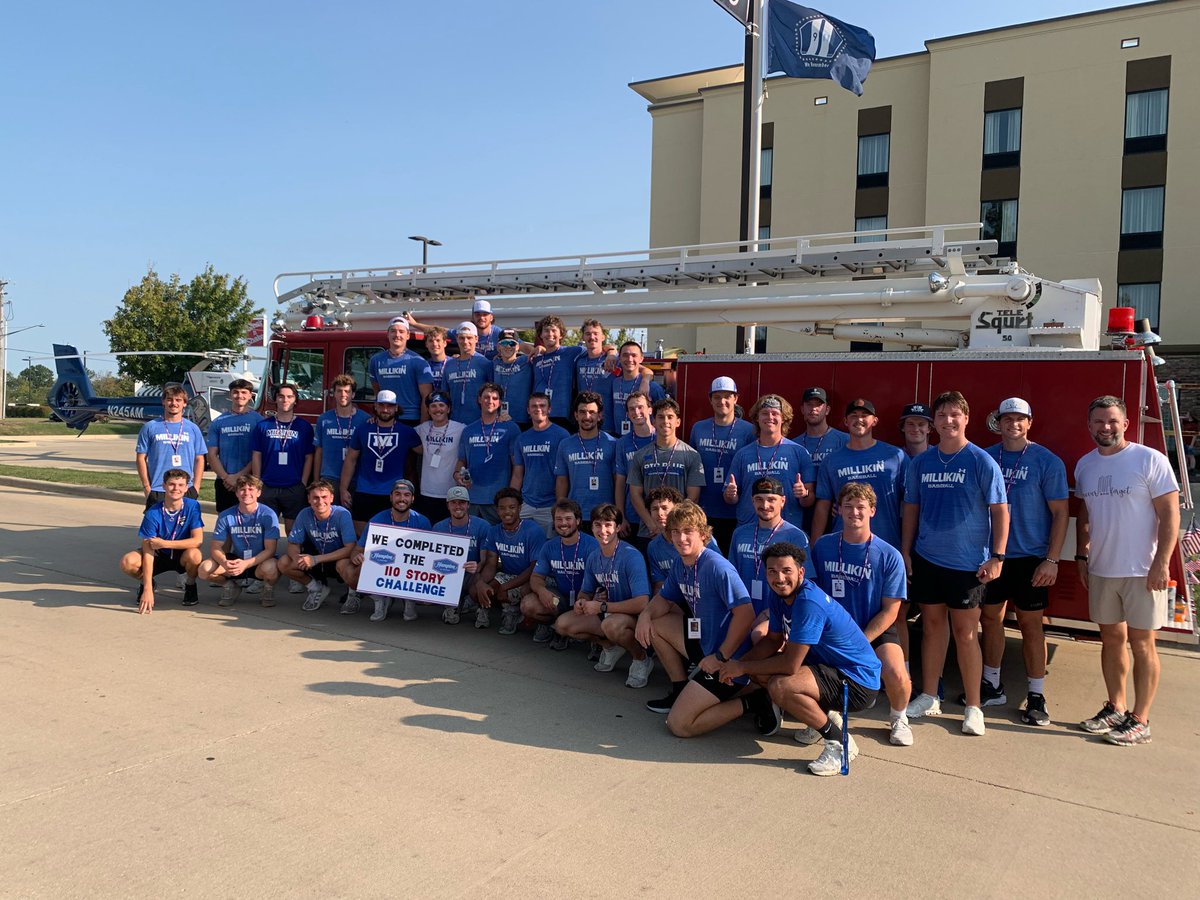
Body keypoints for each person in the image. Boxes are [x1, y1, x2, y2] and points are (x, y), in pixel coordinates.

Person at [716, 542, 881, 776]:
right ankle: (823, 717)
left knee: (781, 686)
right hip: (827, 668)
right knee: (758, 669)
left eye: (786, 571)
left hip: (857, 681)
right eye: (772, 571)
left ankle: (839, 742)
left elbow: (790, 665)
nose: (779, 578)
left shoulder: (808, 602)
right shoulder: (779, 595)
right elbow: (773, 641)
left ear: (801, 572)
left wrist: (740, 666)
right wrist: (734, 667)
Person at [1075, 394, 1180, 745]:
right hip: (1103, 569)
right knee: (1111, 641)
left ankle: (1141, 719)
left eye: (1112, 421)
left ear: (1125, 424)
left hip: (1142, 570)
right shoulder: (1085, 465)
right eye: (1099, 421)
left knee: (1143, 644)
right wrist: (1082, 554)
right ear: (1089, 426)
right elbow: (1086, 513)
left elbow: (1170, 515)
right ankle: (1116, 708)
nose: (1106, 427)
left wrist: (1161, 563)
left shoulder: (1149, 460)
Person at [902, 390, 1008, 737]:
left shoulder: (980, 461)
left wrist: (997, 556)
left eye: (955, 415)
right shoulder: (922, 463)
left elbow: (1000, 510)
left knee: (965, 634)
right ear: (935, 422)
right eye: (942, 415)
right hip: (928, 558)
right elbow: (911, 509)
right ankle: (929, 695)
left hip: (967, 564)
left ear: (966, 418)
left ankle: (974, 706)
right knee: (932, 628)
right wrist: (905, 551)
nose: (948, 421)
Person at [977, 398, 1069, 725]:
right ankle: (992, 684)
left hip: (1031, 558)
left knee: (1031, 626)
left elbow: (1061, 514)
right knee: (990, 620)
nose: (1013, 424)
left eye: (1020, 419)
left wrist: (1052, 560)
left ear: (1029, 423)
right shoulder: (985, 457)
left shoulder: (1047, 461)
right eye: (1007, 419)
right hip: (993, 556)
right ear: (997, 422)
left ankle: (1036, 694)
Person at [634, 502, 764, 730]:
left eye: (687, 531)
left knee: (679, 725)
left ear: (703, 535)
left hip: (728, 657)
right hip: (703, 642)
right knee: (655, 623)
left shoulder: (717, 567)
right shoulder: (680, 564)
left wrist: (721, 657)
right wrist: (645, 615)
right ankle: (679, 688)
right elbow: (664, 599)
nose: (680, 538)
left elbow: (746, 614)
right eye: (675, 532)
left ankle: (754, 700)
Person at [808, 483, 913, 746]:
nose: (854, 512)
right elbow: (813, 594)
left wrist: (859, 641)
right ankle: (824, 716)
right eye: (848, 506)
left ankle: (899, 717)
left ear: (872, 511)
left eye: (860, 507)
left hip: (873, 628)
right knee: (805, 669)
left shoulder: (889, 555)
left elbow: (891, 611)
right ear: (839, 510)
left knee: (896, 672)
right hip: (832, 630)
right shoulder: (823, 546)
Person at [554, 504, 654, 688]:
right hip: (608, 612)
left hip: (633, 617)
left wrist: (602, 607)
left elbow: (642, 603)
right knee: (563, 624)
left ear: (617, 527)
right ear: (591, 527)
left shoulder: (631, 556)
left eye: (608, 524)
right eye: (598, 525)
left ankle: (641, 658)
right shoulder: (594, 556)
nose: (603, 530)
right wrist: (581, 601)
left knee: (611, 624)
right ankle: (610, 647)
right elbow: (586, 590)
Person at [811, 398, 907, 549]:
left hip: (887, 543)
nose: (859, 420)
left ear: (875, 421)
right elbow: (823, 505)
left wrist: (907, 548)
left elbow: (910, 503)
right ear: (845, 421)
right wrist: (814, 546)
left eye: (864, 415)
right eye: (854, 416)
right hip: (844, 546)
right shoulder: (831, 461)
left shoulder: (896, 456)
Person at [726, 477, 808, 636]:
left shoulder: (795, 536)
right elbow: (731, 576)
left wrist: (770, 612)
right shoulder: (740, 533)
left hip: (777, 614)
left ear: (783, 501)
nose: (765, 506)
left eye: (771, 499)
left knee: (759, 636)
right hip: (743, 610)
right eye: (759, 500)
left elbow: (804, 584)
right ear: (752, 501)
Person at [343, 478, 433, 621]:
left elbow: (430, 556)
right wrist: (356, 556)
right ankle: (379, 598)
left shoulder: (422, 522)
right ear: (391, 497)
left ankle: (409, 600)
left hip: (409, 572)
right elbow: (357, 549)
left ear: (413, 498)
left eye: (406, 495)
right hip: (382, 568)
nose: (401, 499)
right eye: (397, 494)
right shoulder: (377, 520)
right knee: (346, 567)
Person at [723, 394, 815, 530]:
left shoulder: (799, 452)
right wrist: (731, 494)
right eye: (765, 413)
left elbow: (809, 500)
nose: (770, 417)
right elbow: (730, 499)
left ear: (783, 418)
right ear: (757, 418)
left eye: (775, 413)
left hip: (786, 531)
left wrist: (804, 494)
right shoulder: (743, 454)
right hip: (749, 530)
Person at [120, 467, 204, 613]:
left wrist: (164, 543)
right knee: (128, 562)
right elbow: (148, 550)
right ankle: (148, 584)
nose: (176, 488)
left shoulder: (193, 506)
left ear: (186, 488)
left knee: (195, 555)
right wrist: (147, 588)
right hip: (159, 553)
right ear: (164, 486)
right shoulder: (152, 512)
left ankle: (190, 585)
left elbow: (197, 540)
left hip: (181, 554)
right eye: (171, 484)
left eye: (180, 485)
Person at [628, 398, 705, 548]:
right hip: (648, 532)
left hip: (678, 535)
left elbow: (693, 496)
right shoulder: (640, 455)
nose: (665, 421)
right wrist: (652, 525)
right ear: (654, 422)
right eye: (660, 417)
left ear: (678, 422)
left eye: (670, 417)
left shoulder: (692, 455)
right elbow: (635, 495)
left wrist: (672, 527)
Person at [689, 376, 755, 552]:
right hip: (704, 510)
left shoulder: (749, 431)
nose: (722, 401)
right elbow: (692, 468)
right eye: (717, 397)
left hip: (736, 512)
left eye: (727, 396)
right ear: (710, 399)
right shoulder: (698, 428)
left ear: (736, 399)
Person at [522, 499, 599, 650]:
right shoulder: (549, 546)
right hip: (561, 599)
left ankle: (591, 637)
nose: (563, 523)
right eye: (559, 519)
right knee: (528, 604)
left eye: (568, 518)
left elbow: (601, 582)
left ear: (577, 521)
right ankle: (553, 626)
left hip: (587, 600)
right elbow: (537, 577)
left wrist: (589, 601)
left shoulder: (593, 545)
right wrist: (542, 591)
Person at [341, 389, 420, 531]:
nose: (385, 409)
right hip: (364, 490)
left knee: (388, 536)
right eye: (381, 405)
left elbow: (425, 451)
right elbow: (351, 460)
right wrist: (343, 488)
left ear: (396, 408)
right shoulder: (363, 429)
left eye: (389, 406)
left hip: (393, 493)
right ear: (375, 406)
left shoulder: (407, 432)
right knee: (361, 536)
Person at [197, 473, 281, 608]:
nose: (246, 493)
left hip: (258, 560)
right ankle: (229, 586)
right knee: (204, 569)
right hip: (235, 559)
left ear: (258, 492)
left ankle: (268, 589)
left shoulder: (268, 514)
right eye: (242, 489)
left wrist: (246, 564)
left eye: (251, 489)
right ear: (236, 493)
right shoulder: (226, 515)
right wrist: (224, 562)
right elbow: (215, 547)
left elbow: (270, 550)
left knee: (271, 568)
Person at [277, 480, 357, 612]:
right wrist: (297, 558)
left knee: (344, 564)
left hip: (336, 558)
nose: (320, 502)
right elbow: (292, 543)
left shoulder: (342, 514)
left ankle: (353, 595)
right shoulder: (304, 514)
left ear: (331, 498)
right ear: (309, 499)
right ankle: (316, 588)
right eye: (315, 497)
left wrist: (315, 559)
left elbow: (350, 548)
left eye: (324, 497)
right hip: (315, 557)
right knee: (284, 563)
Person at [473, 488, 547, 632]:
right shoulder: (494, 531)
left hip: (532, 576)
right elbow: (491, 564)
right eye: (502, 508)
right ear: (497, 510)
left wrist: (505, 587)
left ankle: (516, 614)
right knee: (479, 590)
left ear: (520, 508)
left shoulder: (533, 530)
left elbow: (534, 568)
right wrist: (481, 583)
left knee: (514, 591)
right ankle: (485, 610)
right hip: (508, 574)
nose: (507, 512)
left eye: (512, 507)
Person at [454, 383, 522, 524]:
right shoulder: (468, 430)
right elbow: (462, 461)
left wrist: (511, 497)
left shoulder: (510, 428)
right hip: (472, 498)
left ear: (500, 402)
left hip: (498, 501)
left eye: (494, 398)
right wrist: (456, 475)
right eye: (486, 397)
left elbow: (517, 467)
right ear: (479, 399)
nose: (490, 401)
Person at [251, 383, 314, 532]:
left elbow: (309, 457)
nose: (285, 400)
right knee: (266, 529)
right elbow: (256, 455)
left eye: (290, 397)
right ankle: (267, 556)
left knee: (293, 531)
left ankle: (291, 555)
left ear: (295, 401)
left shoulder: (304, 427)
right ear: (276, 399)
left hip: (294, 486)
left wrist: (303, 483)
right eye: (281, 396)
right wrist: (257, 482)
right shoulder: (263, 426)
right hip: (267, 485)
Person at [135, 383, 207, 510]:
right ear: (163, 402)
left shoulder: (193, 428)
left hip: (186, 489)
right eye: (169, 399)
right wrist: (147, 487)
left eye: (178, 400)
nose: (174, 403)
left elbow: (200, 459)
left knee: (185, 528)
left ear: (184, 403)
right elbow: (141, 458)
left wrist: (196, 486)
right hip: (158, 489)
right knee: (157, 528)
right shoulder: (150, 427)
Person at [554, 391, 617, 532]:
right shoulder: (565, 444)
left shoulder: (613, 444)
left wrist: (619, 512)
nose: (587, 417)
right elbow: (562, 481)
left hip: (605, 516)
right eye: (582, 412)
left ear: (599, 415)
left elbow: (618, 481)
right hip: (576, 515)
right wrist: (561, 511)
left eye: (592, 412)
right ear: (576, 415)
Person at [645, 487, 722, 593]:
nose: (660, 513)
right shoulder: (653, 547)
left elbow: (718, 573)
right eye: (654, 509)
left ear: (676, 509)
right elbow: (660, 586)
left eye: (664, 508)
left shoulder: (700, 538)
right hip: (673, 602)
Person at [433, 485, 489, 624]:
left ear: (468, 505)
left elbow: (485, 559)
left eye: (462, 502)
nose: (458, 506)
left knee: (482, 579)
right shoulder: (439, 528)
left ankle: (480, 607)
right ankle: (453, 604)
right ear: (448, 505)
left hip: (472, 575)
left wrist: (478, 566)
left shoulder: (483, 526)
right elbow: (433, 559)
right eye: (454, 502)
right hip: (449, 574)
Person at [205, 378, 262, 513]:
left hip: (249, 481)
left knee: (250, 522)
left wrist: (239, 476)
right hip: (224, 481)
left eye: (244, 392)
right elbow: (211, 455)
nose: (239, 396)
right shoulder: (218, 421)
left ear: (250, 396)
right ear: (230, 395)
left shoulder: (259, 421)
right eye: (235, 392)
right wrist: (226, 477)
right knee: (226, 524)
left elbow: (259, 454)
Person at [516, 393, 570, 535]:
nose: (538, 409)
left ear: (549, 409)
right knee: (524, 546)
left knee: (549, 547)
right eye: (534, 406)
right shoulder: (522, 438)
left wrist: (560, 505)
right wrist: (514, 501)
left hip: (550, 505)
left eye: (542, 406)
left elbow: (565, 475)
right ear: (528, 410)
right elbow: (518, 473)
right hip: (527, 503)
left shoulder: (562, 435)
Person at [313, 374, 369, 508]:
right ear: (334, 394)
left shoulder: (365, 419)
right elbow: (319, 452)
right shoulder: (324, 419)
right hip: (329, 477)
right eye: (339, 391)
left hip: (356, 478)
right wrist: (316, 481)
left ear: (353, 394)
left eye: (347, 391)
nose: (343, 394)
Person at [367, 316, 433, 426]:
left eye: (401, 332)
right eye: (393, 331)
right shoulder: (376, 360)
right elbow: (377, 391)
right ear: (387, 334)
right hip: (386, 417)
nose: (397, 335)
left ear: (407, 335)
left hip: (411, 419)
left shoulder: (418, 361)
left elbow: (426, 396)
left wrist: (423, 425)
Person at [612, 391, 657, 548]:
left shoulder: (662, 437)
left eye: (640, 407)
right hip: (632, 518)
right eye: (632, 409)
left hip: (658, 516)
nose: (636, 412)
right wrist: (621, 516)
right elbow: (620, 482)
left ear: (650, 409)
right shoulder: (622, 443)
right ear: (627, 414)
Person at [413, 391, 466, 522]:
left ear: (448, 408)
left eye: (441, 405)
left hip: (451, 493)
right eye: (433, 406)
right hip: (426, 492)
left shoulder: (461, 429)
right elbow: (399, 432)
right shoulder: (421, 429)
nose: (438, 409)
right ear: (428, 410)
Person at [531, 315, 587, 429]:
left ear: (561, 334)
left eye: (554, 330)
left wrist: (611, 351)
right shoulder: (536, 357)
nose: (550, 334)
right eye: (546, 331)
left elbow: (596, 349)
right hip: (539, 414)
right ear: (541, 334)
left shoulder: (571, 352)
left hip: (562, 415)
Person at [409, 299, 505, 359]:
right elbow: (438, 331)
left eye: (485, 314)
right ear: (472, 317)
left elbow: (518, 345)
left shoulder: (499, 333)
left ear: (491, 317)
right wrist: (415, 324)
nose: (481, 318)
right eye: (478, 314)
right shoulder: (466, 333)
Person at [607, 341, 662, 437]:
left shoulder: (651, 387)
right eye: (625, 355)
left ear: (641, 358)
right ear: (619, 358)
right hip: (619, 438)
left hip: (643, 440)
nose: (629, 359)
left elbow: (663, 414)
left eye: (634, 355)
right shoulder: (615, 383)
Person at [444, 321, 494, 424]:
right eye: (462, 338)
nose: (465, 341)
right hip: (454, 422)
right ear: (457, 339)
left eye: (469, 338)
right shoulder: (449, 365)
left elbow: (494, 394)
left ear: (476, 338)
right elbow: (445, 396)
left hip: (479, 423)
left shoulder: (485, 363)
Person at [492, 329, 533, 426]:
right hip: (499, 418)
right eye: (504, 343)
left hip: (522, 420)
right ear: (498, 347)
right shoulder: (493, 363)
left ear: (518, 347)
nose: (508, 346)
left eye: (512, 343)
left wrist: (540, 348)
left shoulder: (527, 361)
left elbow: (543, 353)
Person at [421, 325, 450, 394]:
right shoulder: (423, 366)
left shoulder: (454, 363)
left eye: (438, 340)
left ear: (445, 343)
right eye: (431, 341)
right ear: (426, 344)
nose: (434, 344)